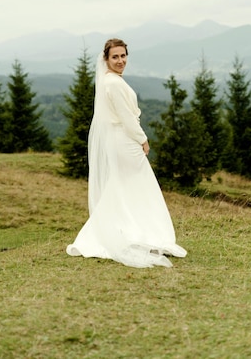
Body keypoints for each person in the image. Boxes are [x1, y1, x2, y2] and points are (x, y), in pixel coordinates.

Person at [66, 38, 187, 268]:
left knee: (123, 187)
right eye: (115, 57)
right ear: (106, 59)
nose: (120, 61)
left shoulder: (110, 81)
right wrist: (142, 139)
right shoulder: (112, 84)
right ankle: (135, 234)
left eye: (123, 56)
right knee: (140, 186)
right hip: (125, 141)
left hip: (119, 140)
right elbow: (125, 117)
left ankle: (128, 231)